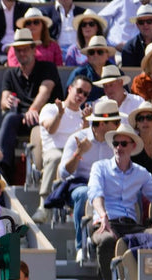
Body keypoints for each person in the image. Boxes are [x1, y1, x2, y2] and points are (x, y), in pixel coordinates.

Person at [89, 123, 152, 280]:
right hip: (105, 222)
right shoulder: (100, 167)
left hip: (130, 225)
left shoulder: (142, 173)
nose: (119, 147)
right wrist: (103, 215)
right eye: (115, 143)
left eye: (123, 144)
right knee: (106, 241)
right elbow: (95, 193)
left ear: (132, 146)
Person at [0, 28, 64, 181]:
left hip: (48, 118)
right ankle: (3, 169)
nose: (22, 53)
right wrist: (7, 101)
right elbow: (3, 101)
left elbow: (45, 91)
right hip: (22, 118)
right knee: (9, 118)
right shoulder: (10, 73)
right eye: (18, 50)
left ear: (34, 49)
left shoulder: (48, 67)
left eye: (25, 49)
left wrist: (34, 109)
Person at [59, 98, 118, 262]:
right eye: (116, 122)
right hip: (80, 185)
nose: (119, 125)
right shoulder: (77, 138)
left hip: (107, 188)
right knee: (86, 194)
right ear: (102, 124)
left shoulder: (117, 142)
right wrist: (78, 153)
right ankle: (81, 246)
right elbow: (63, 173)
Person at [35, 76, 92, 215]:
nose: (81, 96)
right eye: (79, 91)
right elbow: (50, 129)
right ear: (70, 88)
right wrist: (60, 114)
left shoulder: (83, 115)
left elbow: (82, 140)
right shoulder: (50, 108)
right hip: (53, 151)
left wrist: (85, 121)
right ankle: (44, 205)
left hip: (73, 153)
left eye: (85, 94)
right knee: (58, 158)